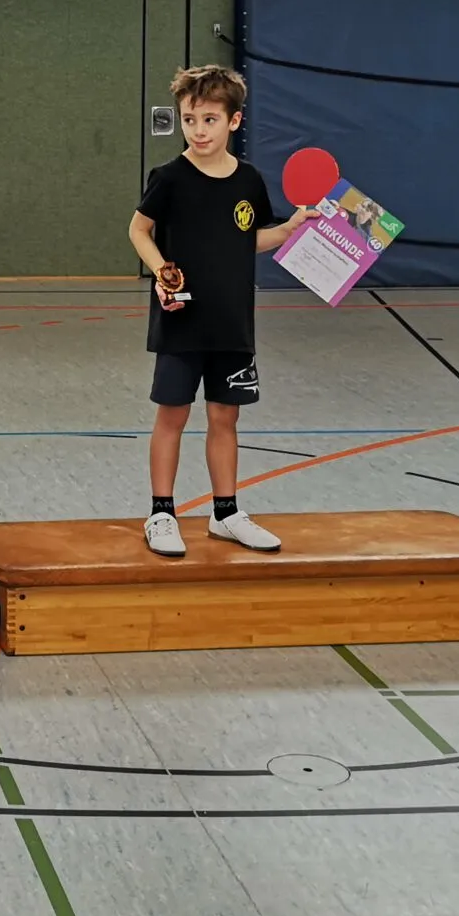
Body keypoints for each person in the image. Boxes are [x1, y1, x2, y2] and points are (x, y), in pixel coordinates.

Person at [126, 65, 316, 555]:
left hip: (232, 324)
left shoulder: (249, 180)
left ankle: (225, 513)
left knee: (224, 418)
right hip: (181, 323)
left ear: (234, 121)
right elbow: (138, 230)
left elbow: (247, 240)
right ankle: (161, 513)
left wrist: (289, 229)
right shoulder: (168, 178)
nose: (198, 130)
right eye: (189, 119)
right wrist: (161, 269)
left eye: (209, 120)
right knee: (172, 416)